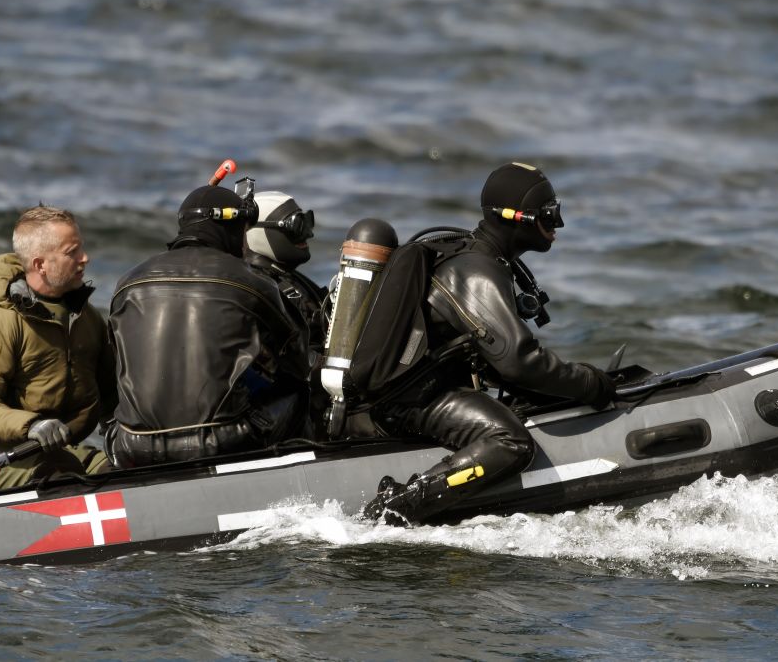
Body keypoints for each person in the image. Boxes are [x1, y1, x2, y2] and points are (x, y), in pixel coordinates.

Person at [360, 161, 616, 525]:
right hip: (409, 401)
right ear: (517, 217)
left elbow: (503, 365)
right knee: (509, 441)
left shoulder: (484, 261)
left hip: (422, 392)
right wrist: (591, 384)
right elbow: (519, 361)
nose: (557, 223)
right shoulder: (474, 270)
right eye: (549, 212)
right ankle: (396, 509)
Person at [104, 179, 312, 467]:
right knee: (302, 392)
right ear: (232, 229)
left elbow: (117, 362)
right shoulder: (252, 281)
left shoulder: (127, 282)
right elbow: (298, 362)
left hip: (129, 444)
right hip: (220, 443)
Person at [0, 206, 117, 490]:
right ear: (41, 265)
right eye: (72, 252)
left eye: (82, 249)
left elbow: (112, 395)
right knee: (63, 481)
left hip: (58, 449)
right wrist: (32, 426)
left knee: (123, 470)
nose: (85, 258)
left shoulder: (87, 318)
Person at [245, 191, 328, 350]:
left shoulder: (289, 277)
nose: (309, 234)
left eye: (307, 221)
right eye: (296, 226)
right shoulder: (258, 290)